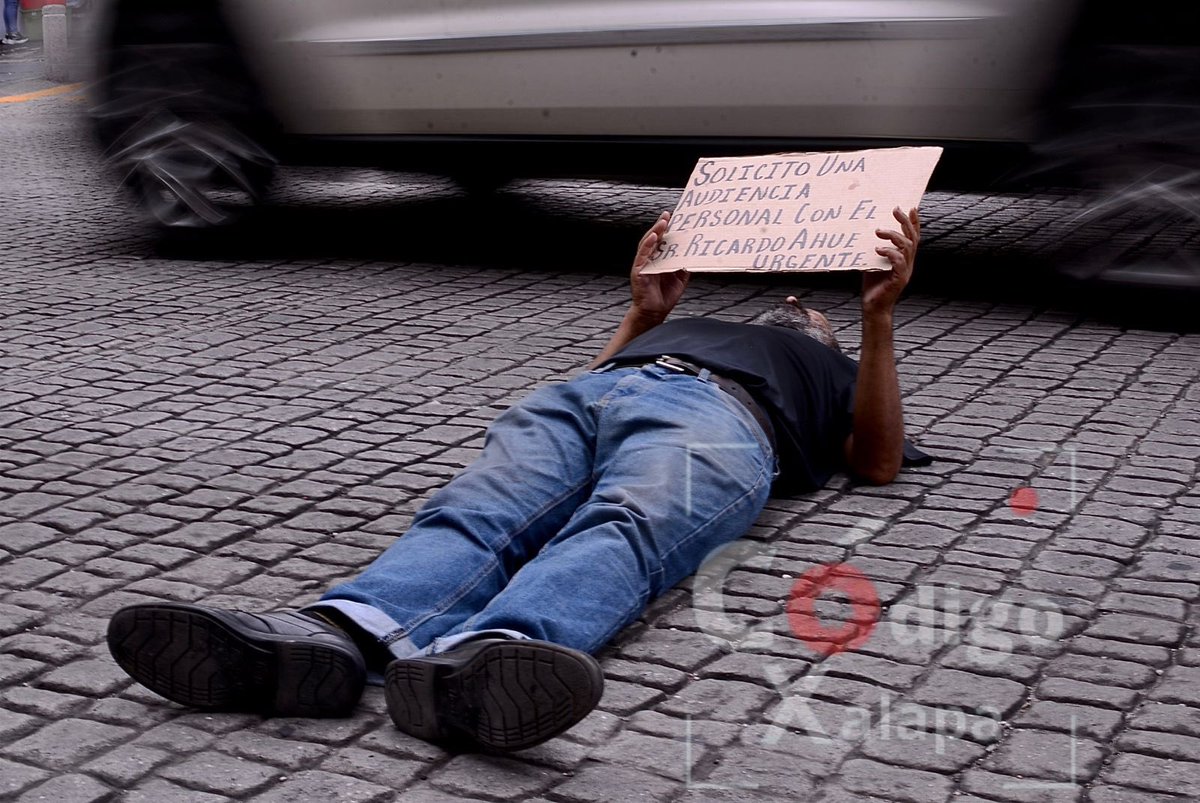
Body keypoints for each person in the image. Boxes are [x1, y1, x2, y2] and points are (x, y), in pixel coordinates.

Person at [107, 207, 930, 752]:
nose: (793, 300)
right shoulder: (702, 318)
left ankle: (496, 653)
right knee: (476, 511)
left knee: (626, 520)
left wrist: (874, 317)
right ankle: (341, 632)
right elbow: (609, 372)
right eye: (792, 299)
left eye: (808, 306)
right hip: (600, 389)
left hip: (721, 418)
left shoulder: (836, 367)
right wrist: (646, 313)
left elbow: (879, 460)